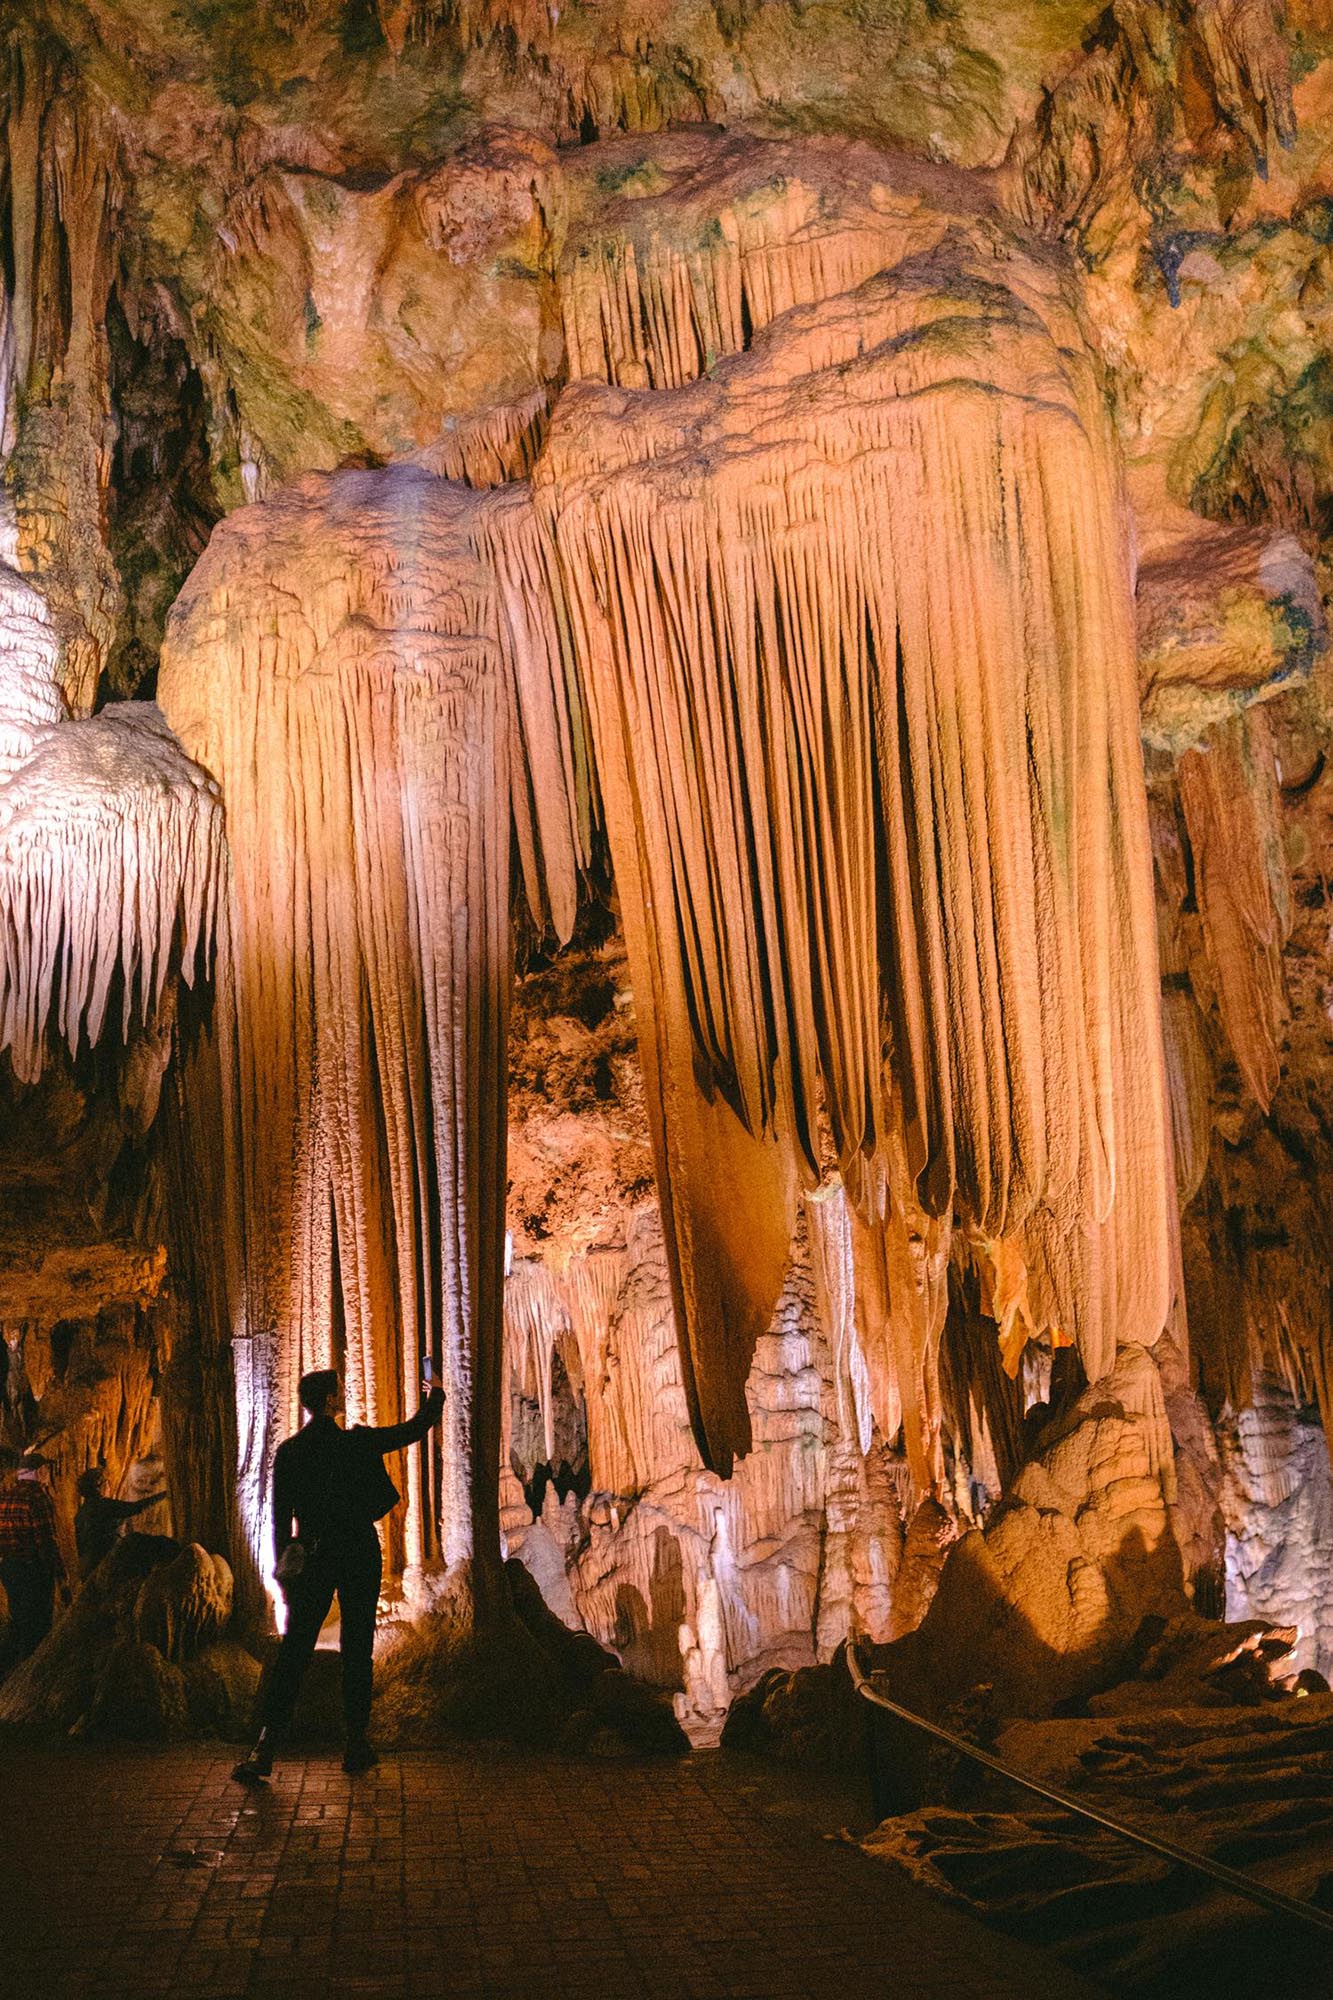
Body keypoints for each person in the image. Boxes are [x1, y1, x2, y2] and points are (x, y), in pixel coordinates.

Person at [232, 1368, 444, 1784]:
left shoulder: (291, 1452)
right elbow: (414, 1430)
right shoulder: (356, 1442)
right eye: (340, 1391)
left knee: (294, 1653)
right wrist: (435, 1394)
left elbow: (278, 1522)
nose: (344, 1394)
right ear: (329, 1401)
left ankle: (265, 1747)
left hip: (313, 1554)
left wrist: (283, 1573)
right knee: (357, 1648)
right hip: (357, 1551)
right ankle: (355, 1743)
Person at [0, 1448, 68, 1668]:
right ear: (39, 1471)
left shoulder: (5, 1498)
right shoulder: (38, 1497)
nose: (49, 1473)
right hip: (33, 1571)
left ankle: (18, 1672)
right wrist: (61, 1576)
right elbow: (47, 1541)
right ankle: (34, 1676)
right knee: (38, 1628)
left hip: (9, 1568)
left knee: (20, 1622)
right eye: (47, 1469)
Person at [74, 1466, 167, 1578]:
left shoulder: (80, 1514)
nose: (109, 1486)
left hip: (89, 1567)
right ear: (99, 1486)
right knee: (158, 1545)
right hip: (108, 1558)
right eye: (107, 1482)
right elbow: (136, 1508)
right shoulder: (102, 1505)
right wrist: (165, 1494)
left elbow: (80, 1546)